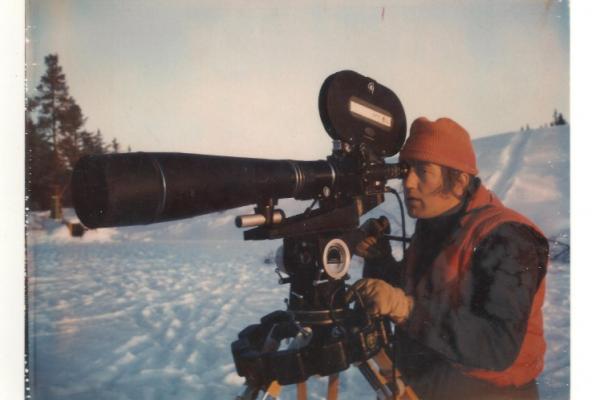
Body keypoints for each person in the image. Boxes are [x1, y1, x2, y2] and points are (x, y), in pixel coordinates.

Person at [347, 117, 549, 400]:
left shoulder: (508, 237)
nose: (408, 183)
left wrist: (404, 308)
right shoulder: (435, 224)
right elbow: (423, 298)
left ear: (459, 180)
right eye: (405, 171)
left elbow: (497, 346)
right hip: (430, 383)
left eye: (422, 171)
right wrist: (379, 258)